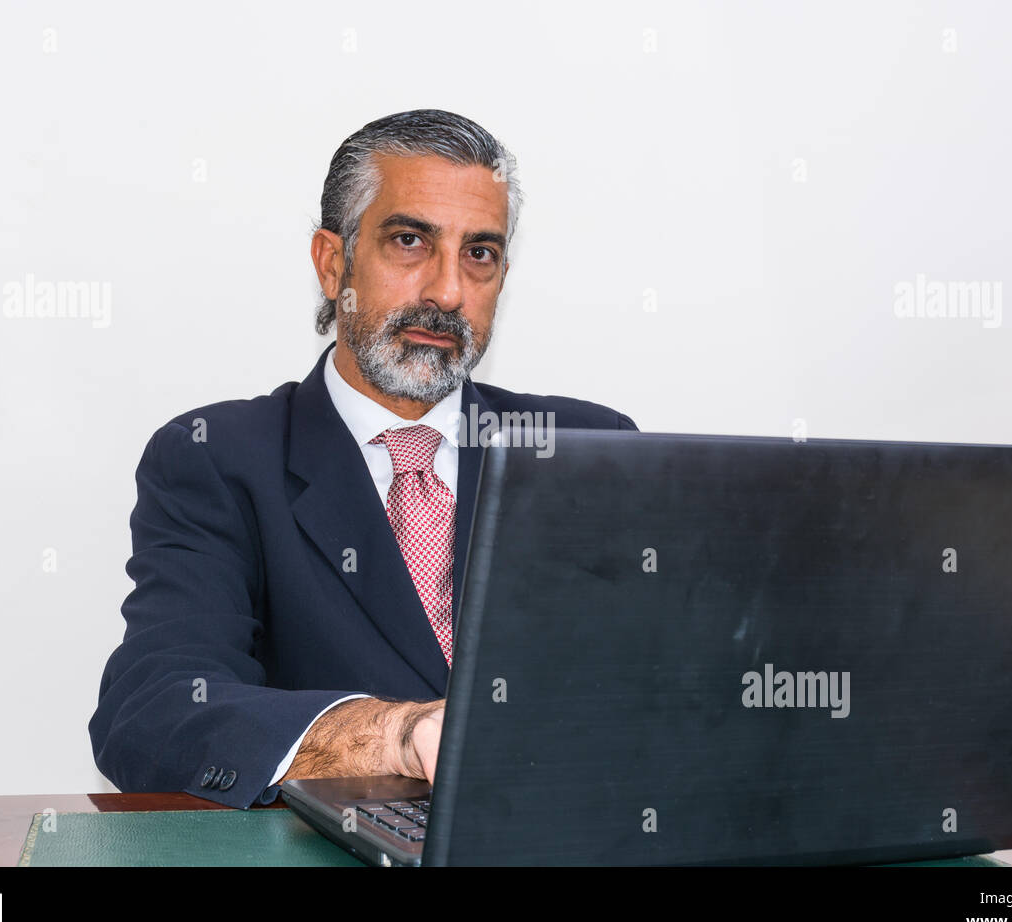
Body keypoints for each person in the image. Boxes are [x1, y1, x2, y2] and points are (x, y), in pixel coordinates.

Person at [89, 108, 638, 809]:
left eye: (480, 254)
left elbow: (672, 688)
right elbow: (153, 710)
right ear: (331, 262)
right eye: (409, 241)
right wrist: (397, 735)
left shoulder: (585, 450)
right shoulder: (217, 460)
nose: (446, 292)